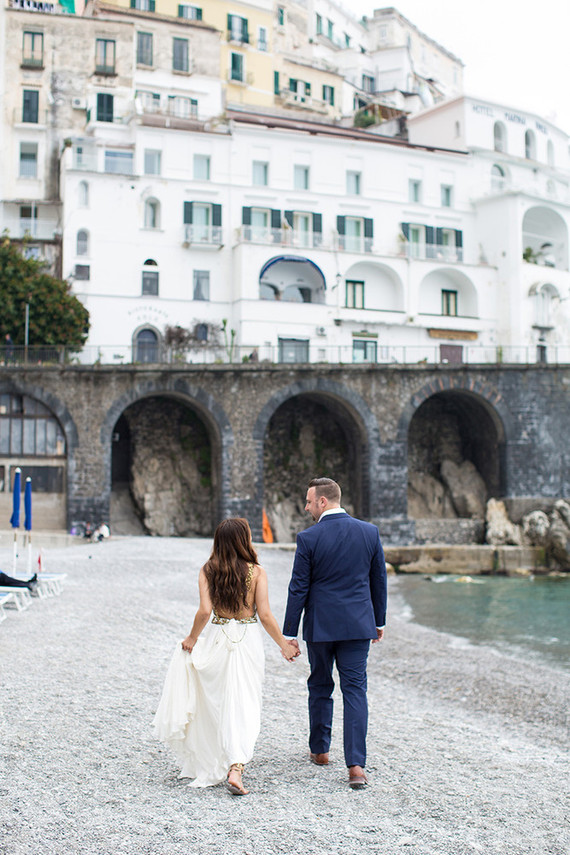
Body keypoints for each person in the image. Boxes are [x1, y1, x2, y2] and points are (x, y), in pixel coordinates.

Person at [153, 518, 298, 795]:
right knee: (245, 701)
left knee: (216, 702)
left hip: (219, 637)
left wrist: (192, 639)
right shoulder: (257, 572)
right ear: (244, 540)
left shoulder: (208, 570)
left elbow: (204, 611)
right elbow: (265, 615)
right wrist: (284, 644)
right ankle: (236, 767)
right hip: (247, 639)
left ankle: (218, 757)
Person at [283, 477, 387, 790]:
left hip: (321, 625)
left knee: (320, 683)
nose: (306, 506)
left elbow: (298, 586)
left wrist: (290, 631)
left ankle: (321, 749)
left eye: (309, 501)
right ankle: (356, 766)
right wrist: (378, 621)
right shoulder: (369, 532)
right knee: (355, 690)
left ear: (323, 502)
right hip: (358, 624)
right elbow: (378, 580)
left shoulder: (309, 538)